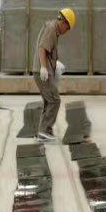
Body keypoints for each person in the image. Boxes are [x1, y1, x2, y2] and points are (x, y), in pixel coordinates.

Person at [34, 8, 76, 142]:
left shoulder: (53, 30)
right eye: (67, 28)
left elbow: (48, 51)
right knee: (55, 100)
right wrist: (43, 67)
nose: (66, 31)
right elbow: (42, 48)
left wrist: (55, 64)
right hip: (43, 73)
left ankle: (44, 131)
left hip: (43, 71)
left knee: (49, 101)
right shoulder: (51, 29)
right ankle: (44, 131)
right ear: (64, 22)